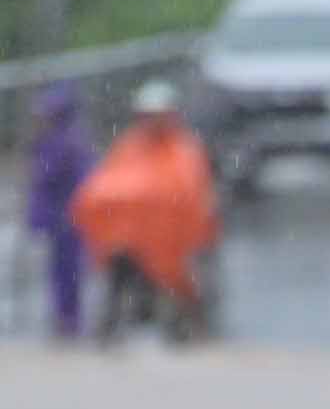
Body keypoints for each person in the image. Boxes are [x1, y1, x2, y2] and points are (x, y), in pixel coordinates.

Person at [70, 81, 219, 345]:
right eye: (149, 115)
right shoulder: (130, 146)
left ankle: (189, 328)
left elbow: (191, 191)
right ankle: (111, 328)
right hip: (131, 238)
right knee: (119, 277)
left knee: (184, 281)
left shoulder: (184, 149)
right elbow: (107, 184)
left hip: (174, 239)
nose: (154, 121)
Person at [26, 85, 94, 341]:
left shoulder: (67, 142)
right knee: (61, 271)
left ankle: (69, 320)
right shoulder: (54, 141)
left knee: (68, 272)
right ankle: (65, 319)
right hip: (60, 218)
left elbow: (55, 178)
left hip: (69, 218)